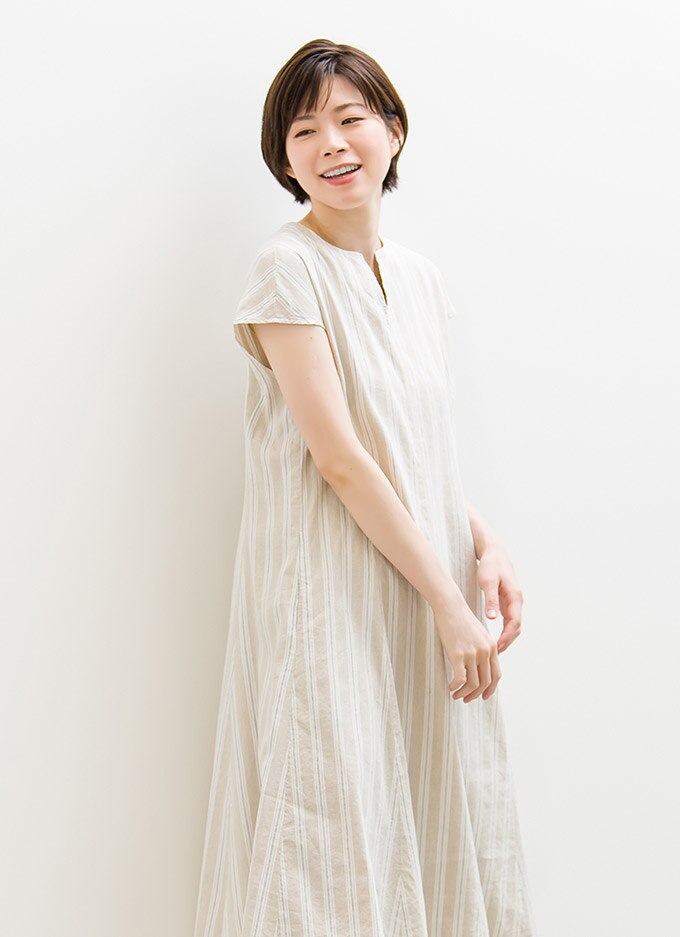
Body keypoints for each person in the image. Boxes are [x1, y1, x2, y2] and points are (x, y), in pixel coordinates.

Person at [193, 38, 538, 937]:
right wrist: (447, 601)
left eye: (350, 119)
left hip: (420, 580)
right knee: (328, 829)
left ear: (394, 130)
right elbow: (340, 455)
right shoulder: (286, 268)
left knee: (426, 802)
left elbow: (412, 445)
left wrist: (484, 543)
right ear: (284, 159)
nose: (331, 145)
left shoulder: (420, 280)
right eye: (304, 132)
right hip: (330, 589)